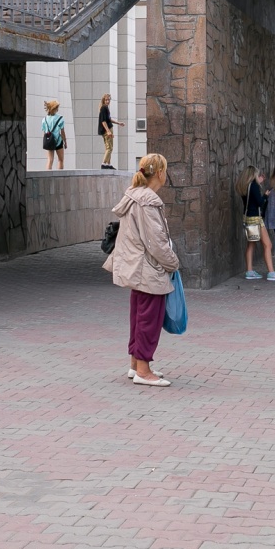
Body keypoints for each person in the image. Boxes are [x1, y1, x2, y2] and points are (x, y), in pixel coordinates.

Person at [105, 153, 180, 386]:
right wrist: (173, 263)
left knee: (138, 317)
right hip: (148, 270)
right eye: (165, 170)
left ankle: (135, 364)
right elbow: (155, 242)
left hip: (136, 268)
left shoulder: (134, 195)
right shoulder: (148, 200)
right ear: (159, 173)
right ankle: (143, 371)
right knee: (149, 319)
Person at [242, 166, 275, 281]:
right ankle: (271, 272)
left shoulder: (245, 186)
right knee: (268, 244)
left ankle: (249, 271)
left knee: (251, 245)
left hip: (248, 218)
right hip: (256, 219)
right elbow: (260, 202)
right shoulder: (254, 186)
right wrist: (266, 195)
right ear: (253, 175)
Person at [41, 99, 67, 170]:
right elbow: (62, 132)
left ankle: (47, 177)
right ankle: (60, 176)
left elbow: (44, 133)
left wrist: (46, 141)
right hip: (58, 141)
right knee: (60, 160)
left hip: (49, 141)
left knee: (49, 160)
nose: (58, 109)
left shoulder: (44, 119)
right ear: (54, 108)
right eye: (57, 108)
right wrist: (65, 141)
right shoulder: (60, 118)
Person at [97, 93, 115, 169]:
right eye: (106, 100)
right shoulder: (104, 108)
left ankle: (108, 164)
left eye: (109, 100)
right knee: (109, 148)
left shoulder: (106, 108)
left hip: (108, 128)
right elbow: (103, 121)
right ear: (104, 100)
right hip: (107, 129)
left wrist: (118, 123)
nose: (108, 101)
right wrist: (108, 131)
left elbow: (109, 119)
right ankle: (104, 163)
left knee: (109, 147)